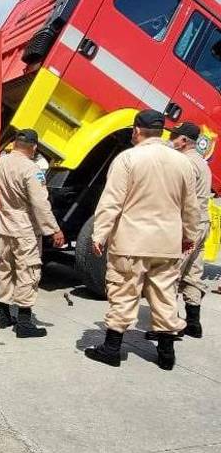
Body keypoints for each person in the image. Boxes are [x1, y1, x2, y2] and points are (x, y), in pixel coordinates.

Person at [86, 109, 200, 370]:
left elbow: (111, 201)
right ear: (161, 132)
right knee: (165, 295)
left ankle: (112, 349)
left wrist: (100, 234)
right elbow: (191, 207)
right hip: (168, 244)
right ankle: (166, 354)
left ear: (137, 131)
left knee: (124, 292)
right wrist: (189, 236)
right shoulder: (183, 163)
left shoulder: (127, 159)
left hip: (131, 242)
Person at [0, 129, 65, 337]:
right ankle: (24, 323)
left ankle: (4, 314)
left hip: (5, 223)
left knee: (5, 268)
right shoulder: (31, 169)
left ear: (15, 143)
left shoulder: (0, 163)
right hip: (25, 227)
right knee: (28, 272)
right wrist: (54, 229)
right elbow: (40, 204)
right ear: (33, 147)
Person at [170, 122, 212, 338]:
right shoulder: (202, 163)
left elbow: (176, 196)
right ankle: (193, 323)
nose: (171, 139)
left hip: (188, 226)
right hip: (203, 224)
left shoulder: (185, 162)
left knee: (170, 275)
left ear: (184, 140)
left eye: (174, 136)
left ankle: (169, 327)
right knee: (193, 274)